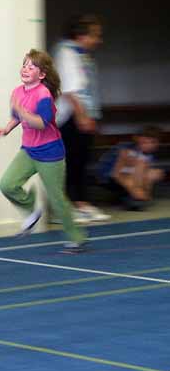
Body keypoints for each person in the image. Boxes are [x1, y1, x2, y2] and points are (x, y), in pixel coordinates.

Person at [0, 49, 87, 254]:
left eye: (32, 66)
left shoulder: (43, 95)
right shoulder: (17, 92)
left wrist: (22, 112)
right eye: (24, 65)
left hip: (50, 153)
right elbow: (16, 117)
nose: (26, 69)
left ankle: (76, 237)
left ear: (42, 74)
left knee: (56, 198)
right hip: (28, 150)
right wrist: (7, 128)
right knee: (7, 184)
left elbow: (40, 123)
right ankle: (32, 210)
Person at [53, 14, 110, 223]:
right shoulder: (66, 53)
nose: (99, 40)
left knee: (82, 160)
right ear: (80, 35)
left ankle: (81, 203)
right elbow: (70, 89)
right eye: (95, 35)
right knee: (71, 161)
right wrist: (82, 116)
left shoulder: (81, 54)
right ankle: (65, 207)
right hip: (70, 116)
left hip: (82, 113)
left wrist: (91, 115)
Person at [99, 125, 166, 210]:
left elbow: (144, 173)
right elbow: (116, 174)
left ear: (157, 143)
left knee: (156, 173)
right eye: (145, 142)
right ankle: (129, 196)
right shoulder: (127, 150)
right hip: (109, 177)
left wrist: (145, 190)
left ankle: (134, 197)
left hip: (129, 176)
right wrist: (133, 190)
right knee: (140, 166)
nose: (149, 145)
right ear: (138, 140)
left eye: (153, 142)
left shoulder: (149, 154)